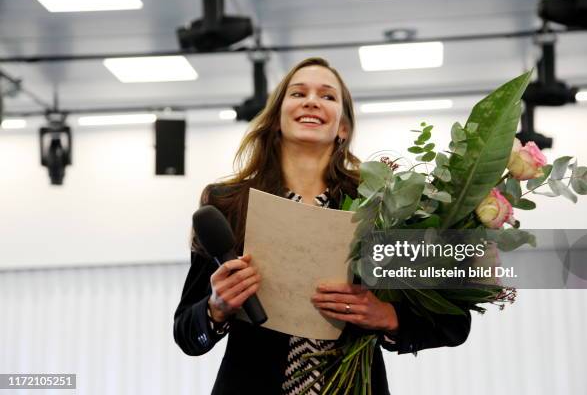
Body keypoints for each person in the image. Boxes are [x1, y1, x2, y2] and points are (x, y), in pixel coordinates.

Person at [173, 57, 471, 394]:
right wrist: (216, 307)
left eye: (327, 96)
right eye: (298, 94)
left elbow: (454, 323)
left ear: (343, 126)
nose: (312, 101)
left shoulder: (383, 204)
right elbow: (187, 332)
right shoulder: (227, 203)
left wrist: (388, 315)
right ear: (276, 119)